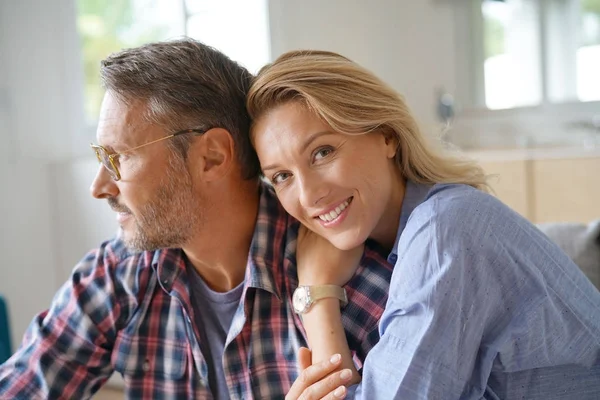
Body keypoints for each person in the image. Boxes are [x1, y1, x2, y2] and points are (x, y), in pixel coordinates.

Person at [0, 40, 395, 399]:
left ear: (212, 157)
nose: (99, 187)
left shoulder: (350, 282)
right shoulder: (116, 276)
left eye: (117, 158)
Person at [247, 50, 600, 399]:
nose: (308, 196)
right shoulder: (397, 243)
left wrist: (317, 294)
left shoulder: (442, 232)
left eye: (322, 152)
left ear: (386, 135)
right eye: (281, 176)